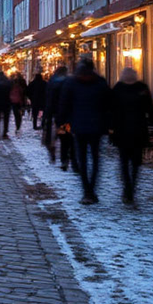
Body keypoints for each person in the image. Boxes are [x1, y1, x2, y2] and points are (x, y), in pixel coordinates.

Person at [56, 58, 112, 204]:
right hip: (97, 127)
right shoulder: (100, 82)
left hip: (78, 126)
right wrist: (108, 124)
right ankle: (91, 190)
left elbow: (64, 105)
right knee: (95, 158)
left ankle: (86, 191)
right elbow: (109, 105)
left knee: (82, 159)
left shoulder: (71, 82)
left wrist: (62, 123)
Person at [110, 67, 153, 205]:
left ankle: (127, 188)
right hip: (138, 130)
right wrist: (152, 123)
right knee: (135, 163)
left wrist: (111, 129)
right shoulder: (141, 88)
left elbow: (112, 110)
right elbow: (150, 108)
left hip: (122, 131)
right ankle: (131, 189)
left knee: (124, 162)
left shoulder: (118, 88)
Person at [43, 66, 71, 168]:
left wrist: (46, 114)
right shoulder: (68, 82)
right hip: (64, 115)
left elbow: (48, 98)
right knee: (65, 137)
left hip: (52, 115)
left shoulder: (51, 81)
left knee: (51, 137)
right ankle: (64, 159)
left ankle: (52, 152)